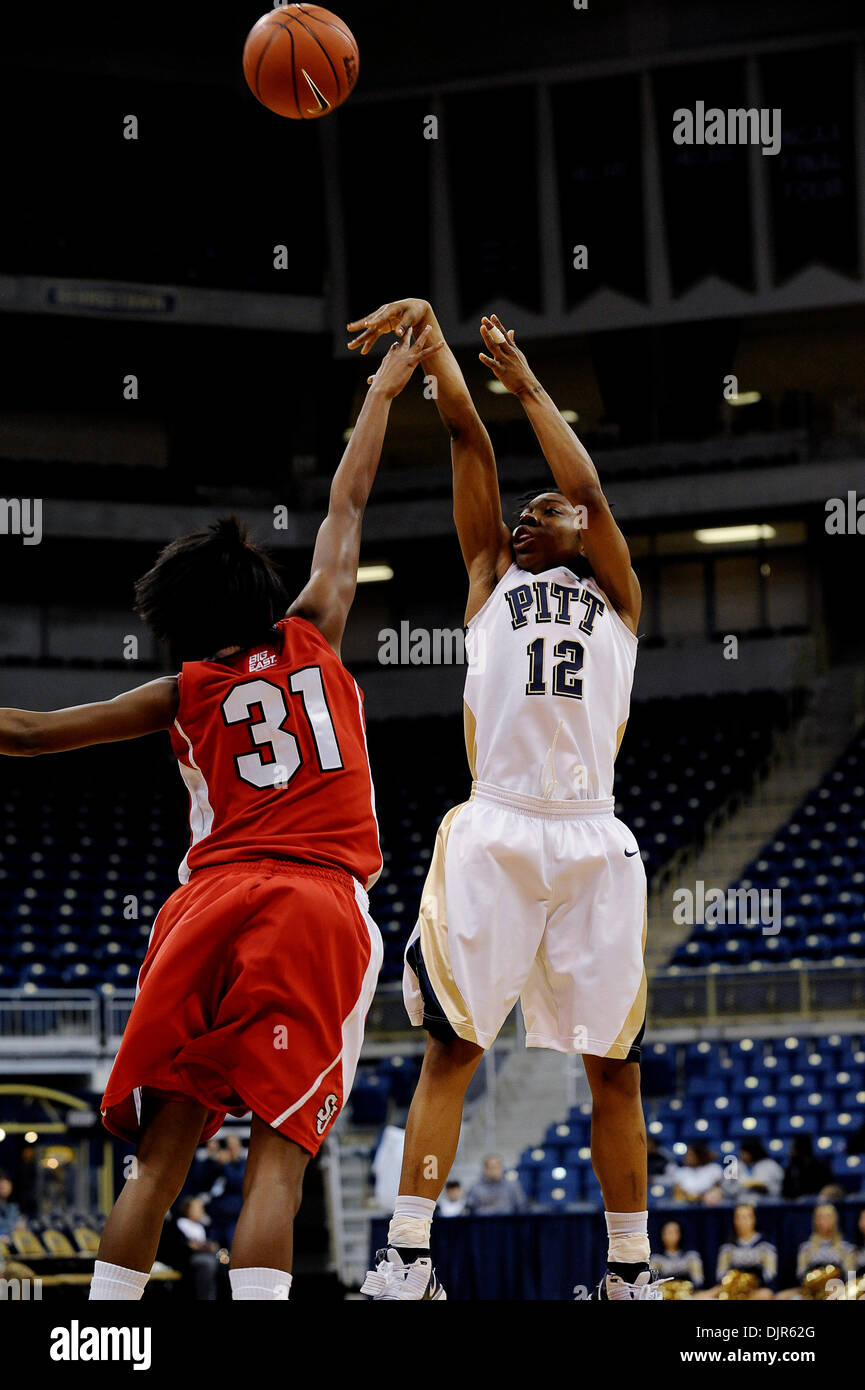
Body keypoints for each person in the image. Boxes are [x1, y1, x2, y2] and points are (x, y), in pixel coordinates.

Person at [0, 326, 439, 1302]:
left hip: (206, 904)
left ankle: (105, 1336)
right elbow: (348, 499)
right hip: (313, 904)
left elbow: (25, 733)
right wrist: (385, 386)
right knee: (277, 1163)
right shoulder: (317, 624)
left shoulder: (181, 690)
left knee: (159, 1161)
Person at [350, 299, 653, 1302]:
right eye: (520, 513)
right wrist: (437, 352)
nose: (529, 515)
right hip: (498, 820)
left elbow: (590, 491)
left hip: (591, 832)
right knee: (454, 1048)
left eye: (545, 511)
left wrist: (528, 387)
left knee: (613, 1067)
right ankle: (407, 1255)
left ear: (580, 532)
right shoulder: (488, 576)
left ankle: (627, 1270)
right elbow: (464, 440)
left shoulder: (615, 596)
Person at [695, 1203, 776, 1300]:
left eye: (745, 1217)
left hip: (756, 1290)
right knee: (701, 1296)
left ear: (753, 1219)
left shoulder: (765, 1245)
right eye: (738, 1217)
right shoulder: (728, 1246)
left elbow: (770, 1275)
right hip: (731, 1290)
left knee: (766, 1295)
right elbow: (721, 1275)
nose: (741, 1221)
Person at [175, 1196, 221, 1301]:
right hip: (188, 1258)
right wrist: (205, 1246)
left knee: (224, 1261)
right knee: (208, 1263)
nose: (201, 1211)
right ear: (187, 1210)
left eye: (202, 1209)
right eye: (198, 1209)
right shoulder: (181, 1223)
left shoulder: (199, 1226)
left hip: (204, 1255)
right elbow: (189, 1245)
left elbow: (201, 1244)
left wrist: (207, 1246)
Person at [653, 1220, 704, 1290]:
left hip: (687, 1293)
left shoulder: (691, 1257)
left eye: (674, 1232)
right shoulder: (656, 1260)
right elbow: (651, 1284)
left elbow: (698, 1281)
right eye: (667, 1233)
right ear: (662, 1235)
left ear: (680, 1234)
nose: (671, 1236)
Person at [781, 1134, 833, 1200]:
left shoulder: (821, 1168)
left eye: (792, 1149)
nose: (789, 1153)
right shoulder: (790, 1170)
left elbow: (831, 1189)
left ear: (801, 1150)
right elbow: (785, 1194)